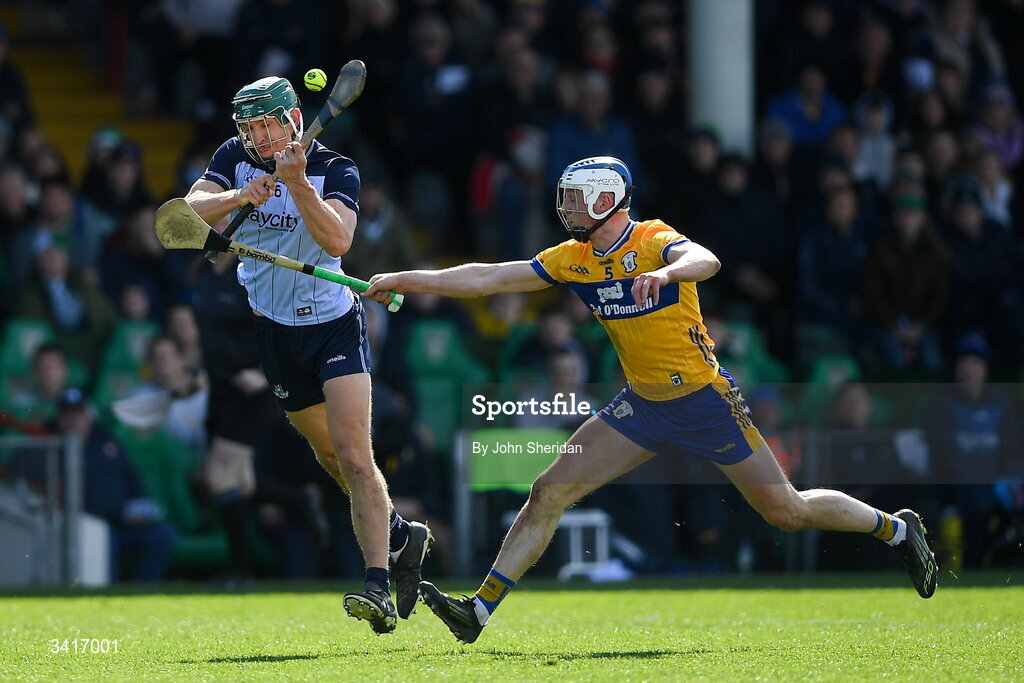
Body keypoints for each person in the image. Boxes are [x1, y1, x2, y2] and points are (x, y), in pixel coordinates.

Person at [365, 156, 938, 644]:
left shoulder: (654, 239)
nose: (564, 208)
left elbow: (706, 261)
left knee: (785, 511)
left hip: (705, 401)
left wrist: (667, 276)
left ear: (607, 200)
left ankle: (895, 528)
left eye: (574, 199)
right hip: (640, 405)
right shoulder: (575, 257)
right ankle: (478, 612)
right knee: (547, 491)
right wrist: (408, 280)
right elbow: (490, 277)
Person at [182, 75, 430, 634]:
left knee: (354, 453)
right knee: (328, 457)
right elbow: (191, 210)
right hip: (273, 332)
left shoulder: (335, 168)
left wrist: (297, 187)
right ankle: (400, 535)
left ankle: (377, 585)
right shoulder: (234, 158)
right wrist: (239, 195)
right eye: (250, 127)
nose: (259, 136)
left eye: (267, 124)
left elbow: (338, 243)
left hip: (334, 325)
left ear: (293, 119)